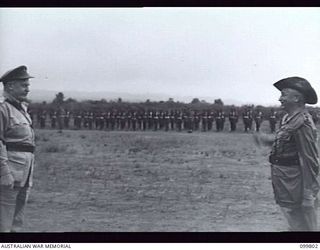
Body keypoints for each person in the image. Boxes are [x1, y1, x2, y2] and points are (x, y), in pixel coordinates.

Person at [254, 76, 319, 231]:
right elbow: (285, 139)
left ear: (296, 98)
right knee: (293, 217)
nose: (280, 98)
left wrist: (307, 194)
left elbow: (310, 160)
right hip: (285, 178)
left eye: (283, 94)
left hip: (295, 180)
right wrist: (267, 140)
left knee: (304, 221)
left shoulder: (303, 123)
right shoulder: (289, 118)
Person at [0, 65, 36, 232]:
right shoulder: (3, 108)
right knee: (4, 220)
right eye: (24, 85)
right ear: (10, 86)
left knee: (17, 221)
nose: (27, 89)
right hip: (10, 170)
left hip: (24, 170)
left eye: (28, 85)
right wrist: (3, 172)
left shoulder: (21, 109)